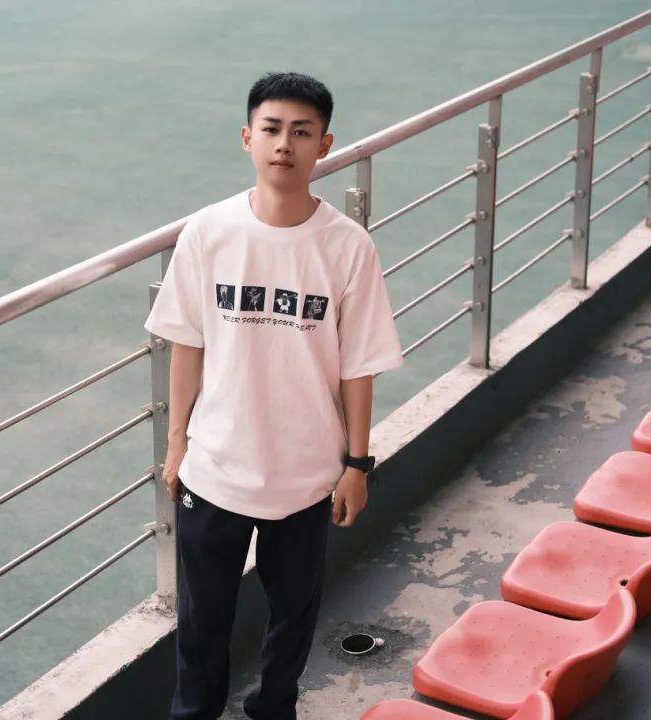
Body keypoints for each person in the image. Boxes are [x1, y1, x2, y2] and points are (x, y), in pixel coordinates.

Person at [144, 71, 403, 720]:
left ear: (324, 145)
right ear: (247, 138)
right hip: (215, 468)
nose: (285, 143)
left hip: (307, 474)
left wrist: (356, 464)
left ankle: (274, 711)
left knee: (292, 619)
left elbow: (359, 366)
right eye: (272, 129)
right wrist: (176, 445)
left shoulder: (348, 247)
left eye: (301, 132)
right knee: (201, 625)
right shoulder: (208, 232)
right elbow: (186, 345)